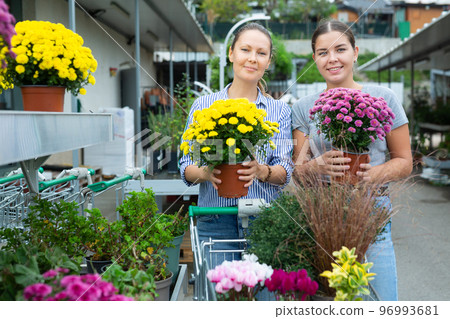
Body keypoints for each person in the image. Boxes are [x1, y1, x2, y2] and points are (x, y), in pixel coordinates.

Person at [291, 20, 412, 301]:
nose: (332, 59)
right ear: (314, 59)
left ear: (355, 52)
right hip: (321, 216)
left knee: (380, 300)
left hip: (372, 210)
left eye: (340, 49)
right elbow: (297, 170)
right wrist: (316, 166)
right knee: (326, 301)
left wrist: (372, 174)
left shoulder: (384, 98)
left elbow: (404, 161)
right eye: (322, 52)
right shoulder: (303, 107)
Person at [179, 23, 293, 267]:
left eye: (261, 53)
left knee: (266, 301)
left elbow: (285, 170)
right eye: (245, 50)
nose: (252, 59)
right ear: (231, 54)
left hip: (265, 220)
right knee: (222, 301)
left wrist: (262, 171)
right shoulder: (203, 106)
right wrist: (205, 173)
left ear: (268, 61)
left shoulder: (279, 110)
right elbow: (186, 165)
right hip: (216, 221)